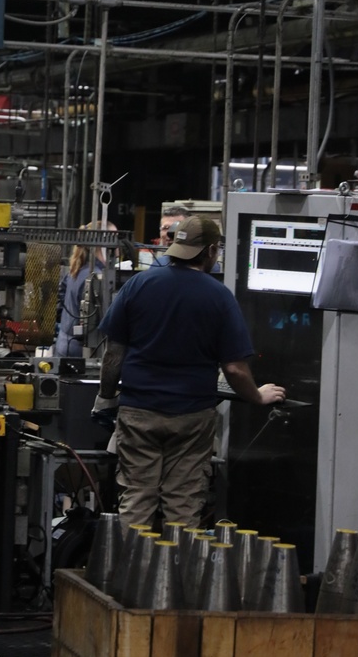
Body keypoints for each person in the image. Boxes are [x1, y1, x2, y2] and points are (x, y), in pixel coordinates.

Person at [94, 214, 285, 530]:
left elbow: (113, 355)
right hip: (191, 418)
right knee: (182, 508)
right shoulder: (219, 296)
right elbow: (235, 369)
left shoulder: (139, 284)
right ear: (211, 251)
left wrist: (105, 396)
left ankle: (129, 577)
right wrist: (257, 396)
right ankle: (177, 577)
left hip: (139, 412)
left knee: (136, 503)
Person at [55, 222, 115, 358]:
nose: (118, 247)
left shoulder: (76, 270)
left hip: (64, 342)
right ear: (102, 243)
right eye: (114, 238)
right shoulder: (96, 277)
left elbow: (59, 302)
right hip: (81, 350)